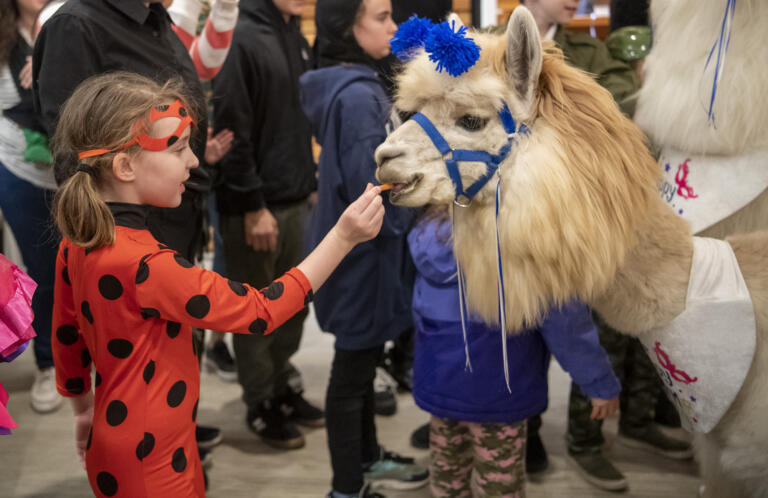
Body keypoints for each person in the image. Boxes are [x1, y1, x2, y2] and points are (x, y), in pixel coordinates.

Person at [50, 71, 384, 498]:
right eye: (176, 147)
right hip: (152, 458)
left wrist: (82, 413)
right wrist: (342, 237)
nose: (193, 161)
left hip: (119, 437)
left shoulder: (77, 242)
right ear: (125, 166)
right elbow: (260, 312)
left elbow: (67, 338)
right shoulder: (148, 265)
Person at [32, 0, 225, 463]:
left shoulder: (155, 19)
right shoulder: (77, 26)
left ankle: (177, 436)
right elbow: (74, 154)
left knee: (174, 351)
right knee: (136, 364)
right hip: (133, 238)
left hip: (176, 216)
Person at [516, 0, 692, 490]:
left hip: (594, 215)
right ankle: (546, 433)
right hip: (523, 215)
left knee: (612, 327)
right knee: (525, 335)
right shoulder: (491, 43)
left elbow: (628, 106)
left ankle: (623, 425)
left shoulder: (587, 51)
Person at [300, 0, 426, 496]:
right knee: (351, 375)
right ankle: (347, 487)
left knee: (361, 365)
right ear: (347, 28)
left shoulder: (353, 83)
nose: (393, 26)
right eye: (380, 16)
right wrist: (419, 213)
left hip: (365, 260)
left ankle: (368, 459)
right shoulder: (356, 98)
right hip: (362, 263)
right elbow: (372, 189)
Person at [408, 212, 621, 497]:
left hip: (441, 386)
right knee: (500, 486)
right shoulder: (529, 238)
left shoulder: (429, 230)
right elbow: (566, 325)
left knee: (448, 479)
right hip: (499, 394)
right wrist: (599, 383)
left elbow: (419, 310)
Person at [212, 0, 323, 450]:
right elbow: (231, 128)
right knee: (255, 315)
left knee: (294, 306)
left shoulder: (293, 33)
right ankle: (260, 402)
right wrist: (252, 204)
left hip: (295, 196)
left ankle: (280, 387)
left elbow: (294, 122)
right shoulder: (240, 37)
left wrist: (308, 181)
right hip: (256, 208)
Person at [0, 0, 62, 414]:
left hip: (74, 167)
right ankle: (47, 362)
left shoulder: (65, 20)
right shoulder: (5, 38)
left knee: (77, 267)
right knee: (39, 270)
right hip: (18, 165)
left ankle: (80, 352)